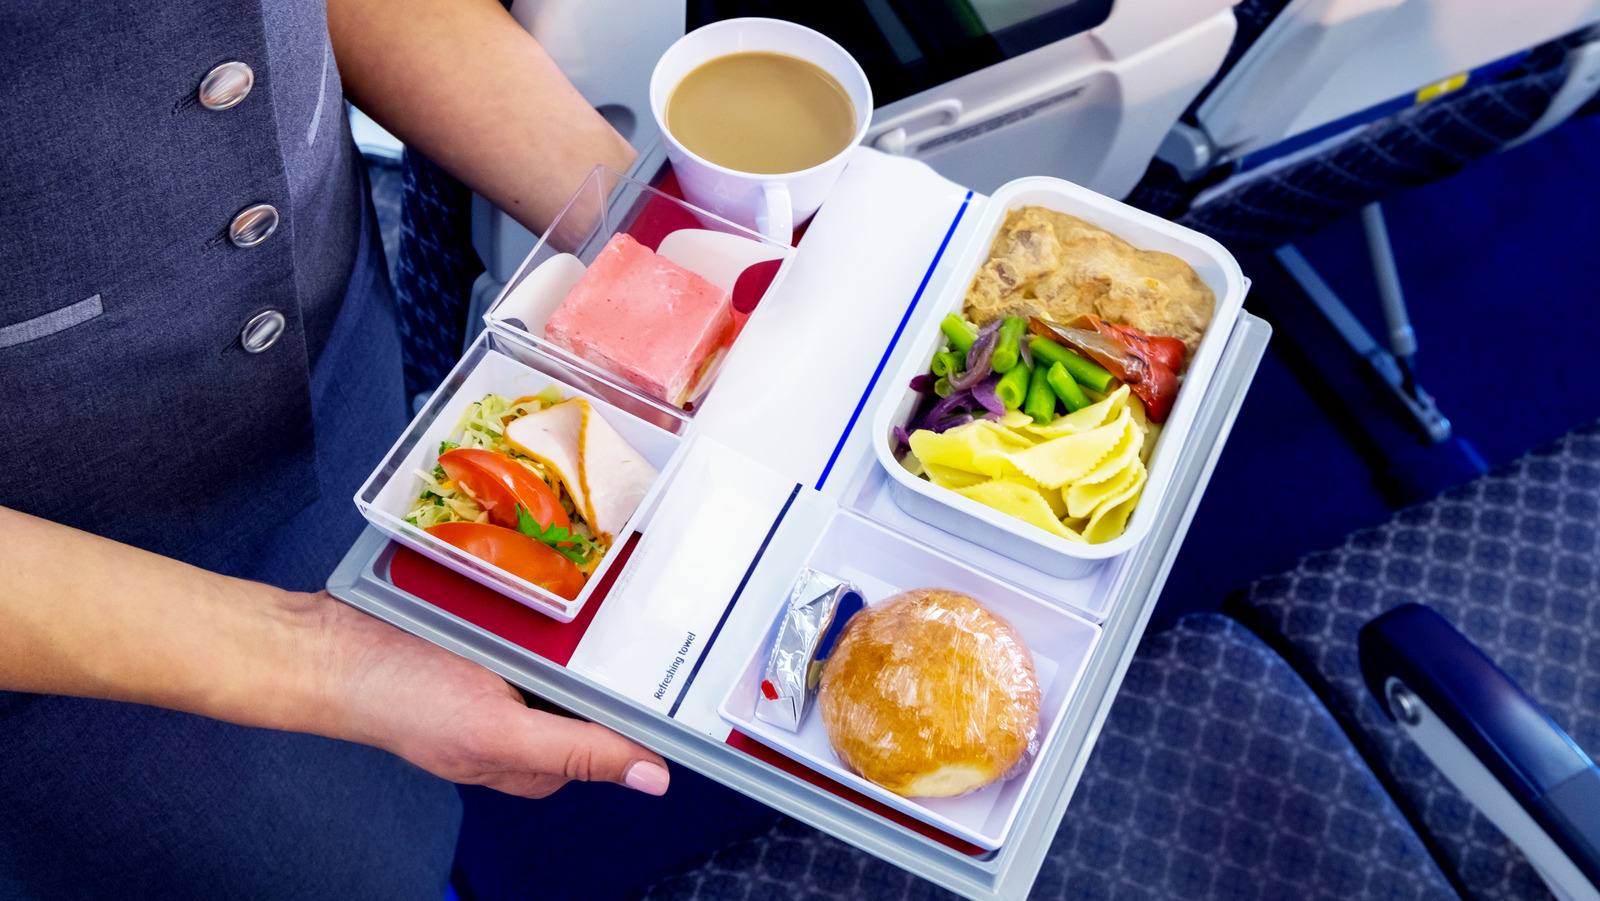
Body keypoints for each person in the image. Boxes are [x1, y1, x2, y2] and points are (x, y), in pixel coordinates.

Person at [0, 1, 674, 897]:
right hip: (59, 578)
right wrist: (324, 659)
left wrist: (651, 252)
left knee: (402, 822)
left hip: (334, 367)